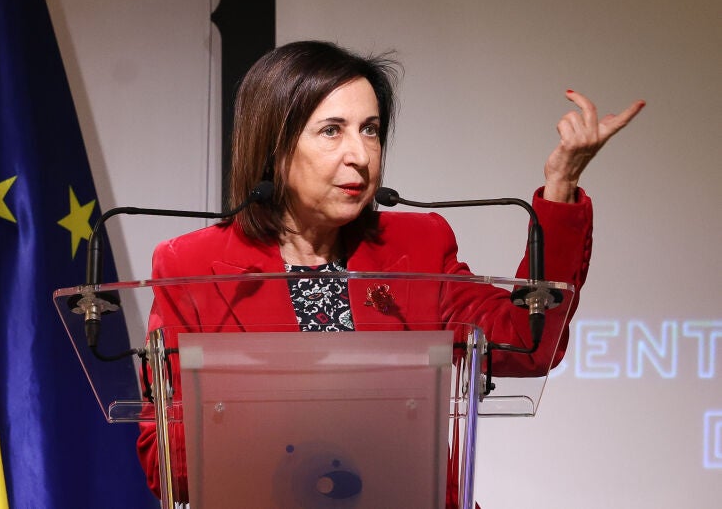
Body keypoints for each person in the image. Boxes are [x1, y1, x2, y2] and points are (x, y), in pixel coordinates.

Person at [135, 40, 644, 506]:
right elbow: (163, 464)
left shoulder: (417, 247)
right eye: (332, 131)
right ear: (274, 147)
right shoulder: (192, 267)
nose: (360, 156)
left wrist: (561, 187)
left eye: (371, 130)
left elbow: (528, 345)